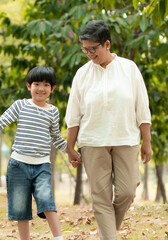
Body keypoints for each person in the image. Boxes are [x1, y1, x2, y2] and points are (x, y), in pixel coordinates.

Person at [0, 66, 79, 240]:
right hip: (18, 166)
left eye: (46, 85)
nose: (40, 88)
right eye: (36, 84)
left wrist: (71, 152)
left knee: (46, 199)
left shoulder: (53, 112)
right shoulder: (20, 105)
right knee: (21, 210)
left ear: (53, 88)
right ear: (28, 86)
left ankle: (59, 237)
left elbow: (56, 138)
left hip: (42, 165)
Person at [65, 20, 152, 240]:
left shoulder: (129, 68)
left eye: (93, 48)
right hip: (92, 142)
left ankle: (106, 234)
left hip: (125, 139)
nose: (88, 53)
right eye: (85, 49)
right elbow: (73, 115)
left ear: (107, 44)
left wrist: (146, 141)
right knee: (101, 198)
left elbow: (142, 107)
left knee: (127, 191)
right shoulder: (82, 74)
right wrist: (70, 147)